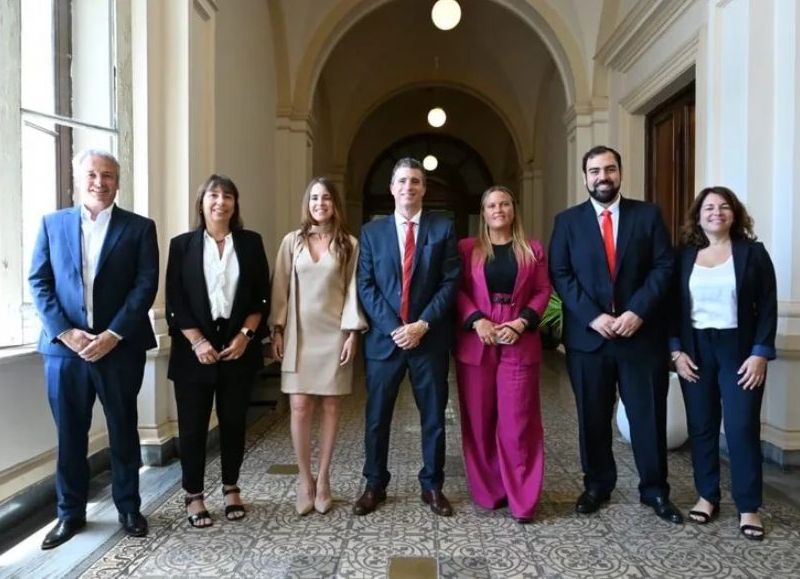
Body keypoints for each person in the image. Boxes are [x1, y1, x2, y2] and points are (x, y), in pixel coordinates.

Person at [29, 149, 159, 549]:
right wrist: (66, 333)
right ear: (76, 178)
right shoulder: (52, 225)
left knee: (122, 429)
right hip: (65, 352)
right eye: (91, 174)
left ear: (118, 182)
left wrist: (113, 334)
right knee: (70, 435)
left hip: (119, 349)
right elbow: (39, 282)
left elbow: (145, 285)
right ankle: (70, 514)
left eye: (107, 175)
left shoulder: (139, 228)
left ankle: (128, 508)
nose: (99, 182)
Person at [549, 145, 682, 523]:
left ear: (620, 173)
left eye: (609, 169)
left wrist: (637, 311)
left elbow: (663, 267)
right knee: (592, 417)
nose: (602, 177)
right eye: (594, 171)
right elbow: (560, 272)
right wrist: (592, 317)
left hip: (639, 338)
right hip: (589, 341)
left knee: (648, 417)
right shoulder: (568, 222)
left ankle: (655, 491)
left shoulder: (648, 216)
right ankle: (597, 486)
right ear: (585, 176)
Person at [355, 157, 460, 516]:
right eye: (402, 181)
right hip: (385, 342)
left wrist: (422, 324)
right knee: (376, 417)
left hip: (428, 339)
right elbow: (366, 286)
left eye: (415, 181)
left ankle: (432, 485)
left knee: (433, 417)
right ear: (392, 188)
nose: (408, 187)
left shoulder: (442, 228)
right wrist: (395, 328)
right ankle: (374, 484)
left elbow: (450, 282)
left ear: (424, 188)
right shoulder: (372, 233)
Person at [670, 186, 776, 540]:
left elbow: (768, 306)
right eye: (709, 207)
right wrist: (676, 351)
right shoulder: (684, 256)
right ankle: (707, 496)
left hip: (739, 349)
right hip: (696, 349)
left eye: (724, 206)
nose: (716, 212)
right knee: (701, 426)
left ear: (735, 213)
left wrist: (760, 352)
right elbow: (672, 309)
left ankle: (748, 507)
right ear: (698, 215)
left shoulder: (753, 254)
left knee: (742, 426)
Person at [165, 174, 270, 528]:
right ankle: (194, 496)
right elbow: (175, 302)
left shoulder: (251, 243)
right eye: (214, 195)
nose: (220, 202)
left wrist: (245, 336)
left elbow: (261, 298)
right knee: (193, 428)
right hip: (193, 350)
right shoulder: (181, 246)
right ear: (202, 202)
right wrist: (197, 341)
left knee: (234, 423)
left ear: (235, 204)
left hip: (237, 348)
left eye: (228, 196)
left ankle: (231, 488)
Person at [269, 177, 367, 515]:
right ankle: (304, 479)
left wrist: (352, 332)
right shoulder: (291, 242)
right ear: (307, 203)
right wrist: (277, 329)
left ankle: (324, 477)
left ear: (335, 204)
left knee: (330, 407)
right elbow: (280, 286)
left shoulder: (349, 244)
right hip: (299, 334)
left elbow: (355, 289)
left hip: (335, 334)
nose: (319, 203)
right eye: (314, 198)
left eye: (325, 198)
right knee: (298, 406)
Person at [454, 186, 551, 523]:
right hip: (477, 339)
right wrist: (475, 319)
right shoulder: (467, 249)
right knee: (479, 420)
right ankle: (489, 491)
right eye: (491, 205)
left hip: (518, 338)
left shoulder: (532, 249)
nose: (498, 209)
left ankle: (522, 499)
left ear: (514, 209)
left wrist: (523, 322)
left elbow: (542, 290)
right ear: (483, 212)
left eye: (505, 204)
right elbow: (458, 290)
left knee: (517, 423)